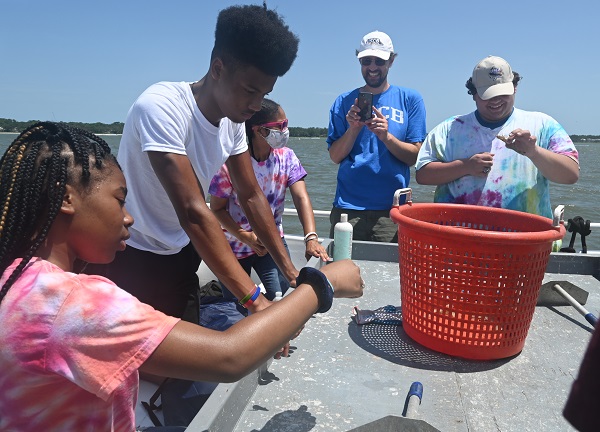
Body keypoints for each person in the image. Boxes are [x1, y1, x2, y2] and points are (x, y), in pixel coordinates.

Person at [0, 122, 364, 431]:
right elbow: (229, 357)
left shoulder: (15, 280)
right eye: (119, 199)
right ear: (67, 199)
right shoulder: (72, 304)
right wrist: (322, 285)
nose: (128, 218)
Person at [85, 4, 301, 323]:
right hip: (130, 252)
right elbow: (192, 210)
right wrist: (255, 301)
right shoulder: (161, 106)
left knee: (179, 371)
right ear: (218, 67)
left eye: (265, 94)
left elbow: (251, 196)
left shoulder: (232, 123)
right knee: (137, 366)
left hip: (183, 253)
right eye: (250, 91)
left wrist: (291, 272)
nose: (256, 105)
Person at [415, 55, 579, 219]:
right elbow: (422, 175)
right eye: (488, 95)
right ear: (473, 93)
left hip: (526, 239)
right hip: (459, 236)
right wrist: (466, 167)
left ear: (515, 87)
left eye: (502, 93)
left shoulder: (543, 124)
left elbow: (570, 175)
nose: (496, 101)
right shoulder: (450, 128)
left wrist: (534, 152)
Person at [209, 98, 329, 303]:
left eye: (286, 125)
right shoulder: (230, 164)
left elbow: (301, 197)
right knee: (237, 302)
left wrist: (311, 236)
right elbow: (217, 210)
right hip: (234, 245)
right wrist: (245, 236)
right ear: (258, 130)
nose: (284, 131)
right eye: (278, 127)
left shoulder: (287, 157)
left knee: (280, 293)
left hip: (272, 240)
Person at [326, 30, 427, 242]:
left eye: (379, 61)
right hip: (348, 208)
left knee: (390, 273)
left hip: (392, 210)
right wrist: (353, 129)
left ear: (391, 61)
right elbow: (335, 156)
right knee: (342, 270)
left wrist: (386, 136)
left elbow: (414, 158)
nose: (372, 67)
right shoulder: (343, 101)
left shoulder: (411, 99)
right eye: (366, 60)